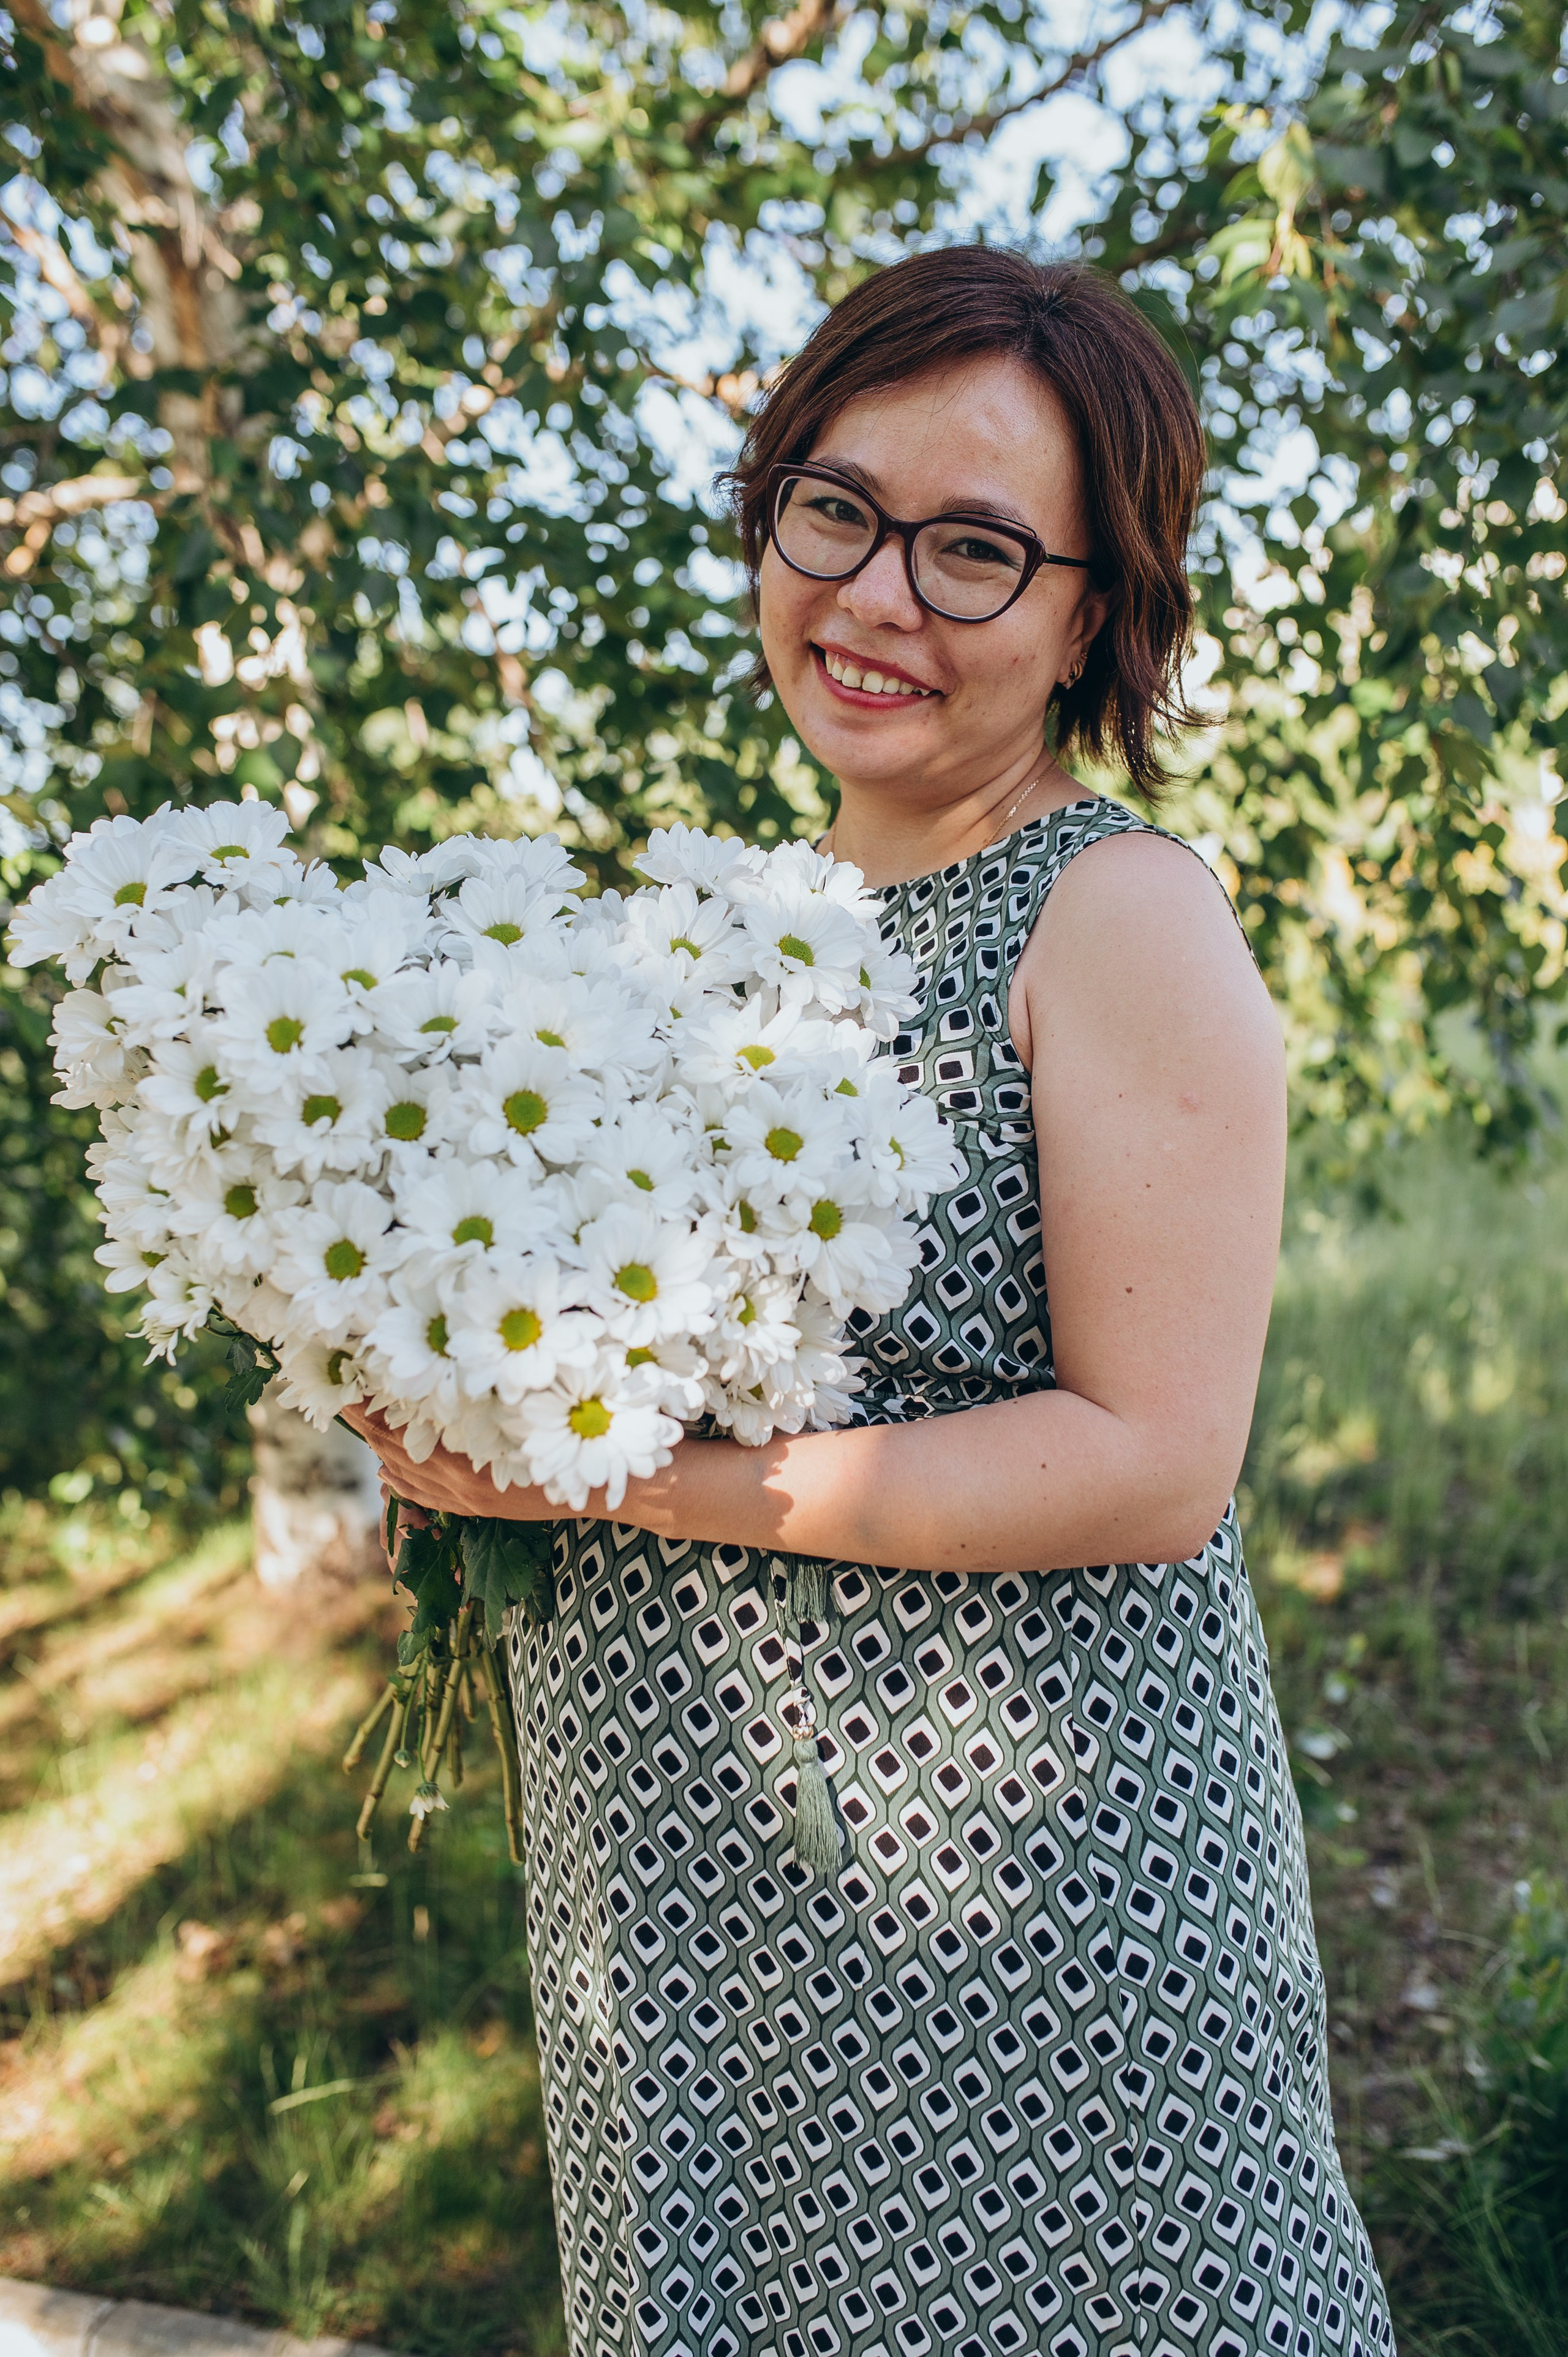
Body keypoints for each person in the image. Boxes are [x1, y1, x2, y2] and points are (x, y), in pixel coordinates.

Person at [352, 248, 1396, 2357]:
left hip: (1018, 1957)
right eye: (838, 507)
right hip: (703, 1919)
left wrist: (597, 1478)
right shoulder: (732, 940)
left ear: (1097, 610)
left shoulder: (1112, 912)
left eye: (978, 548)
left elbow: (1151, 1465)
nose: (880, 595)